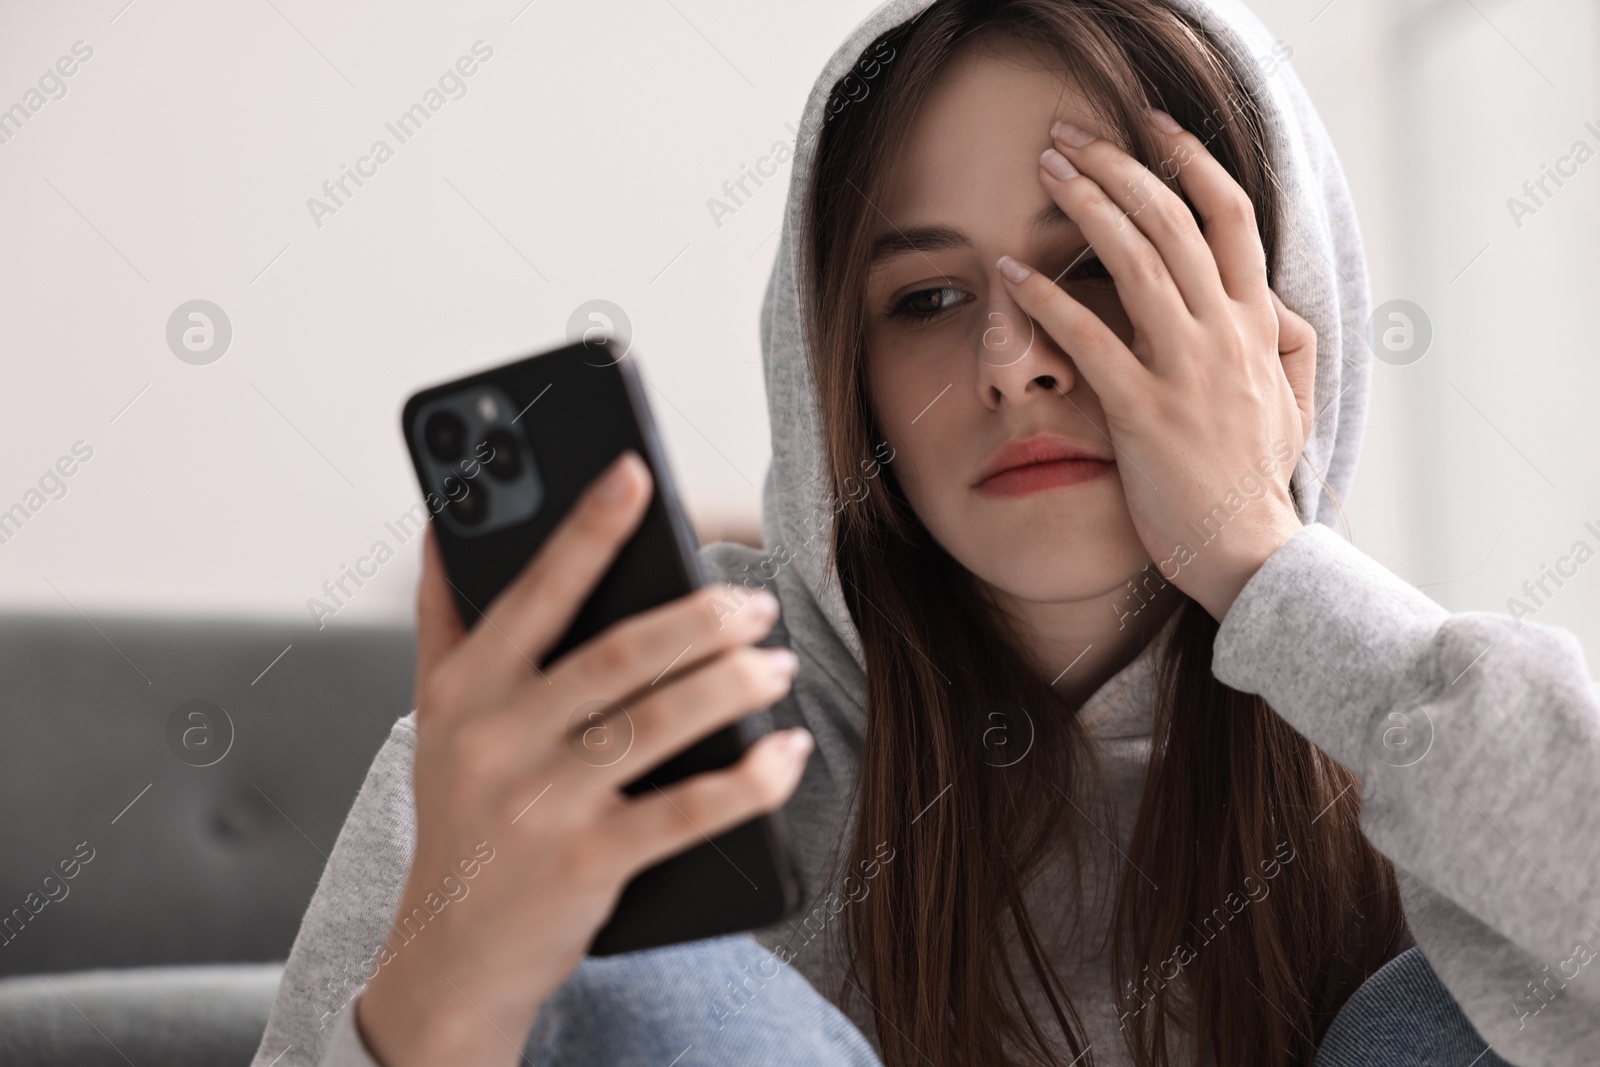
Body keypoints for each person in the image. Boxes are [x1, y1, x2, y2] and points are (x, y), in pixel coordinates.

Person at [252, 0, 1600, 1064]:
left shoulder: (1413, 722)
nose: (1013, 363)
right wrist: (441, 1014)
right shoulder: (598, 750)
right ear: (838, 366)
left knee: (1488, 991)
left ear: (1267, 319)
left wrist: (1262, 557)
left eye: (1098, 270)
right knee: (643, 994)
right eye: (927, 298)